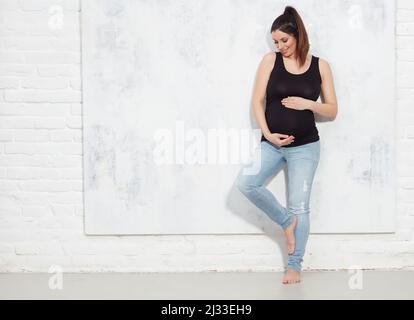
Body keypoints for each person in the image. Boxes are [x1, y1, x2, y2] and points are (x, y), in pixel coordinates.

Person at [236, 5, 338, 284]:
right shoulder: (270, 61)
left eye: (285, 41)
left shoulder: (321, 66)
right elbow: (257, 101)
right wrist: (268, 134)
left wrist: (307, 103)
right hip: (272, 144)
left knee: (300, 207)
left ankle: (294, 265)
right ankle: (285, 222)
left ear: (298, 36)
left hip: (305, 147)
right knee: (246, 183)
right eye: (276, 41)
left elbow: (332, 110)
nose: (280, 46)